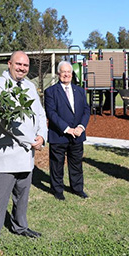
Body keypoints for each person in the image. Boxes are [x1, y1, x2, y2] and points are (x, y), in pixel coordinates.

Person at [0, 51, 48, 249]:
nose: (22, 68)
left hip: (26, 153)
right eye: (18, 64)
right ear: (9, 64)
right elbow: (7, 121)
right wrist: (30, 140)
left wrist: (42, 135)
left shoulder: (29, 86)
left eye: (25, 65)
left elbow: (40, 112)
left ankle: (20, 226)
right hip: (5, 154)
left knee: (22, 194)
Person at [44, 61, 91, 201]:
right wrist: (67, 129)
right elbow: (51, 113)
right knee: (57, 165)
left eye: (69, 72)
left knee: (76, 164)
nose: (66, 74)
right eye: (63, 72)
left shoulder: (80, 91)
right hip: (59, 135)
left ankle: (77, 188)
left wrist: (81, 127)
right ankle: (57, 190)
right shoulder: (50, 91)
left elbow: (86, 110)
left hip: (77, 135)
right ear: (59, 74)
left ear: (72, 74)